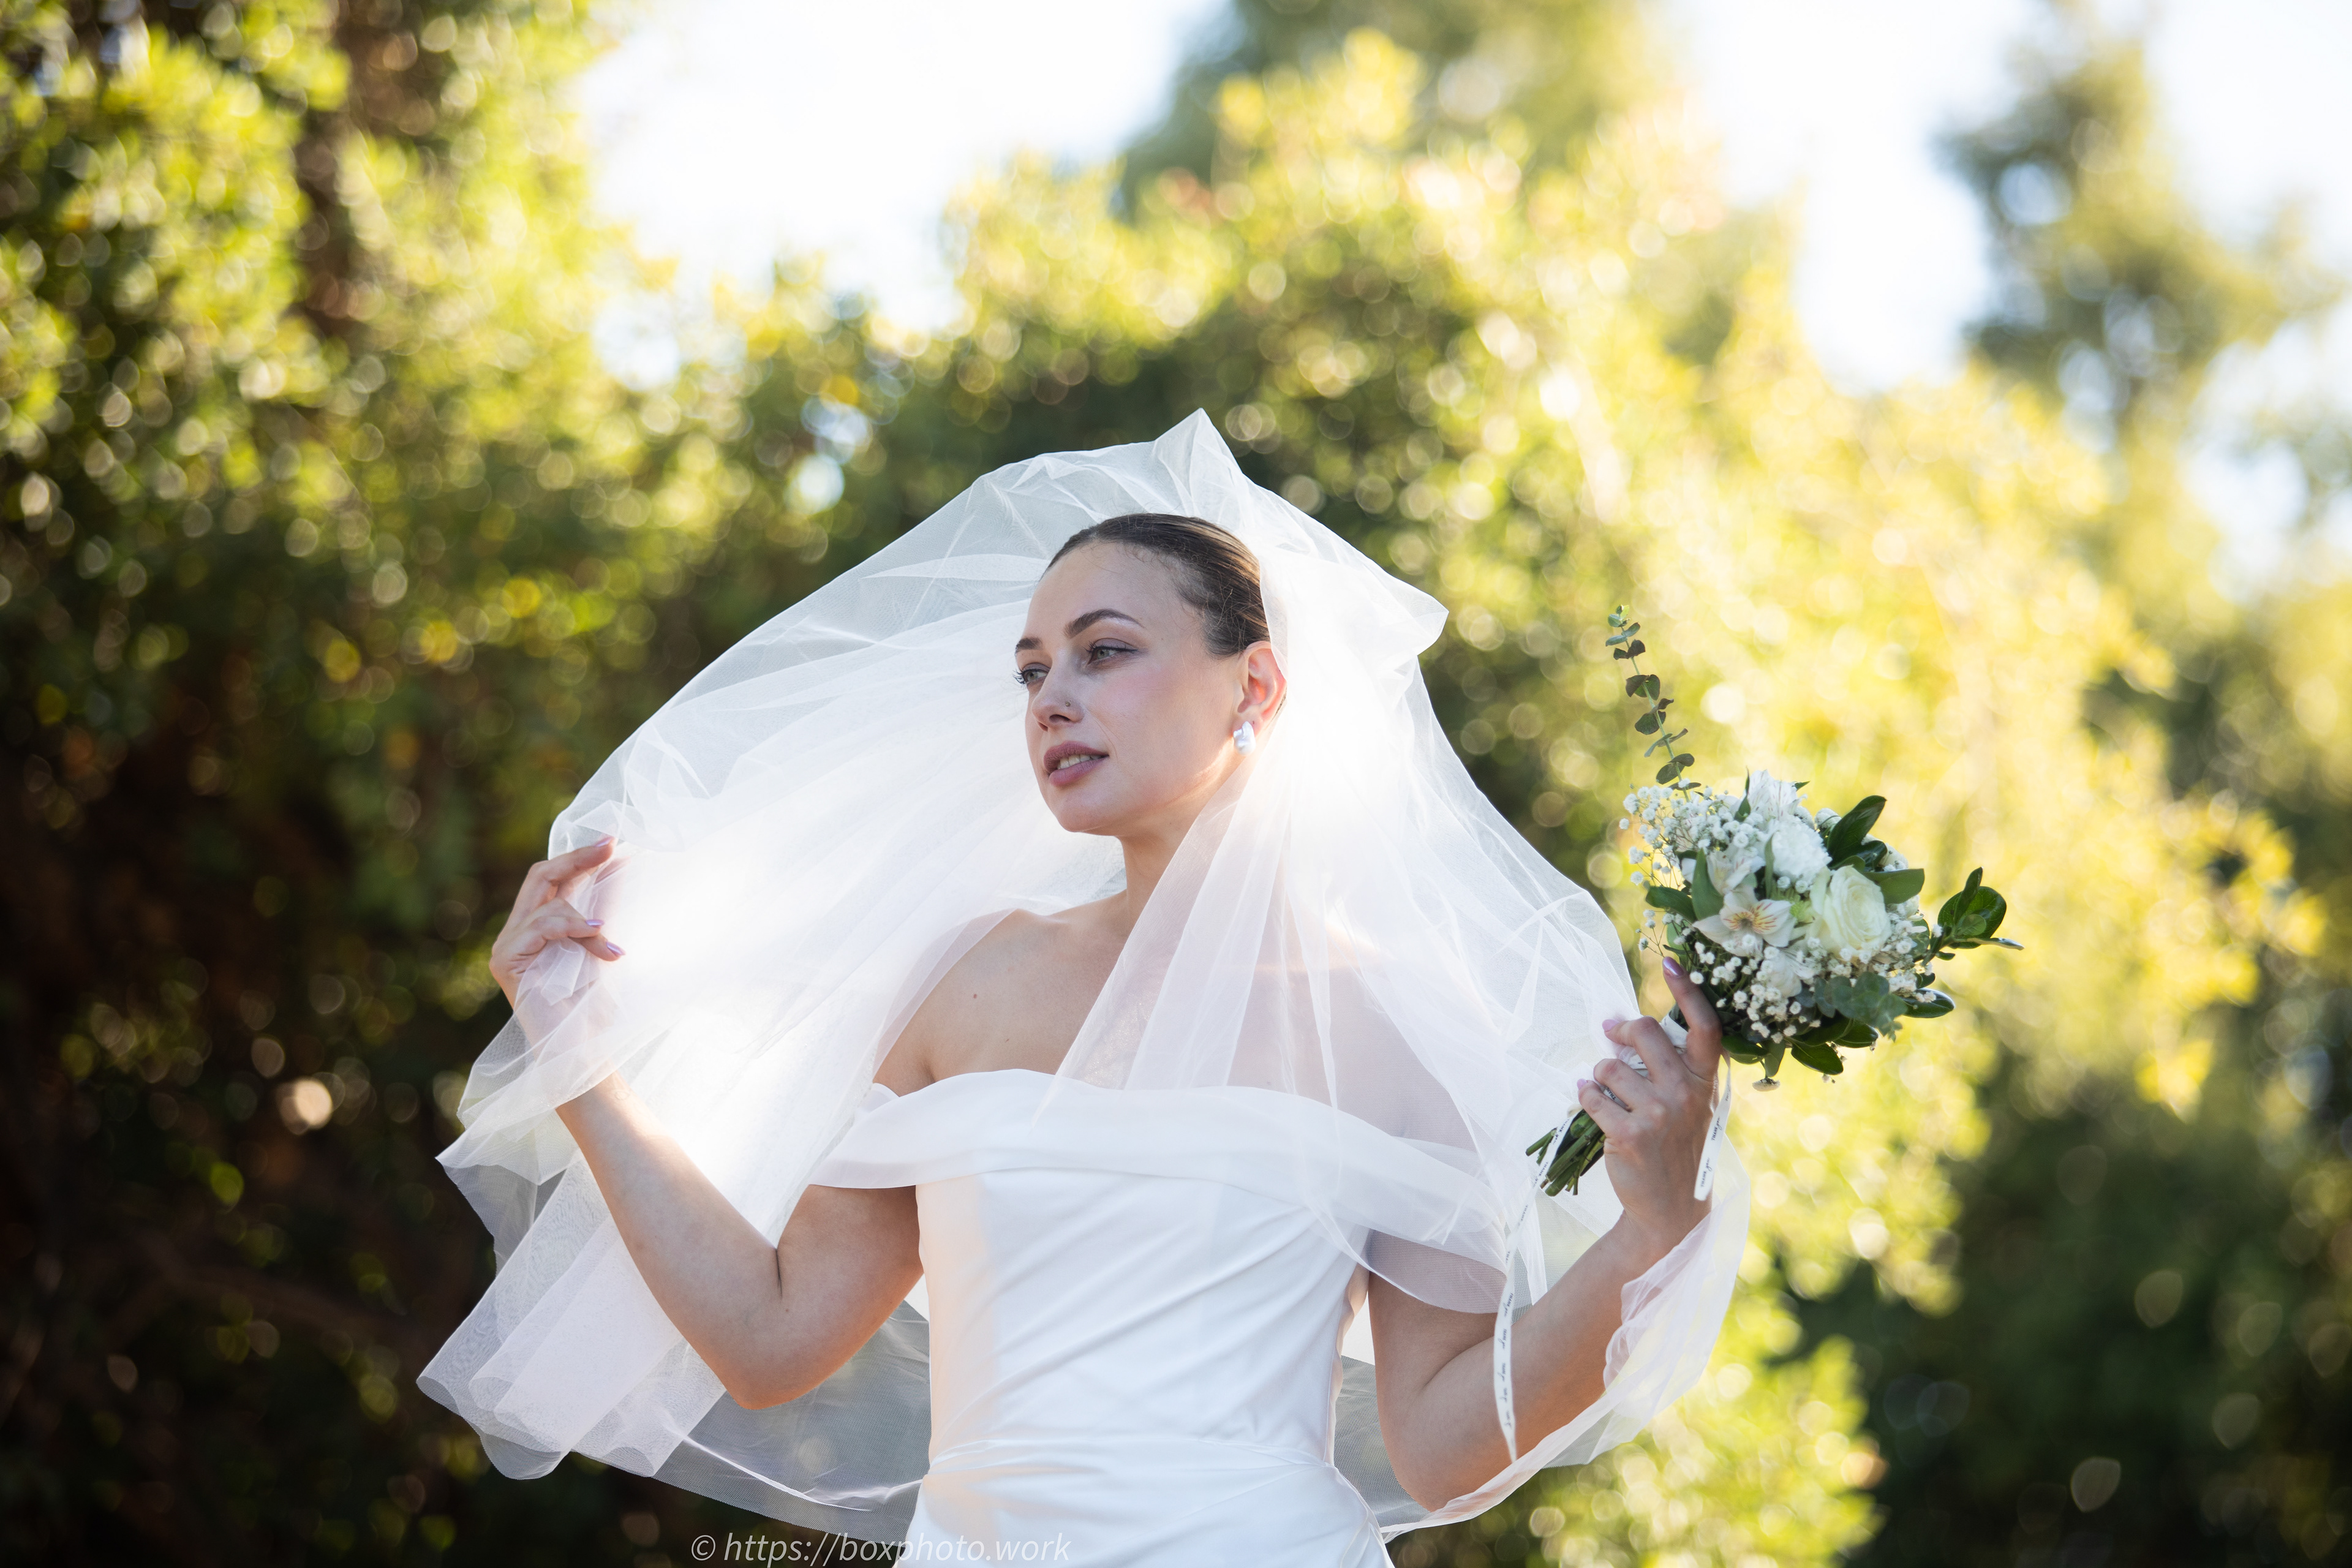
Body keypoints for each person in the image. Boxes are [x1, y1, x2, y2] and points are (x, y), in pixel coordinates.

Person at [420, 413, 1748, 1561]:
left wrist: (1645, 1235)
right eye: (1033, 667)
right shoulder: (961, 977)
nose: (1053, 693)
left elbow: (1446, 1442)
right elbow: (772, 1339)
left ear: (1259, 686)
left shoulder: (1395, 1024)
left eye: (1105, 650)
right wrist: (576, 1049)